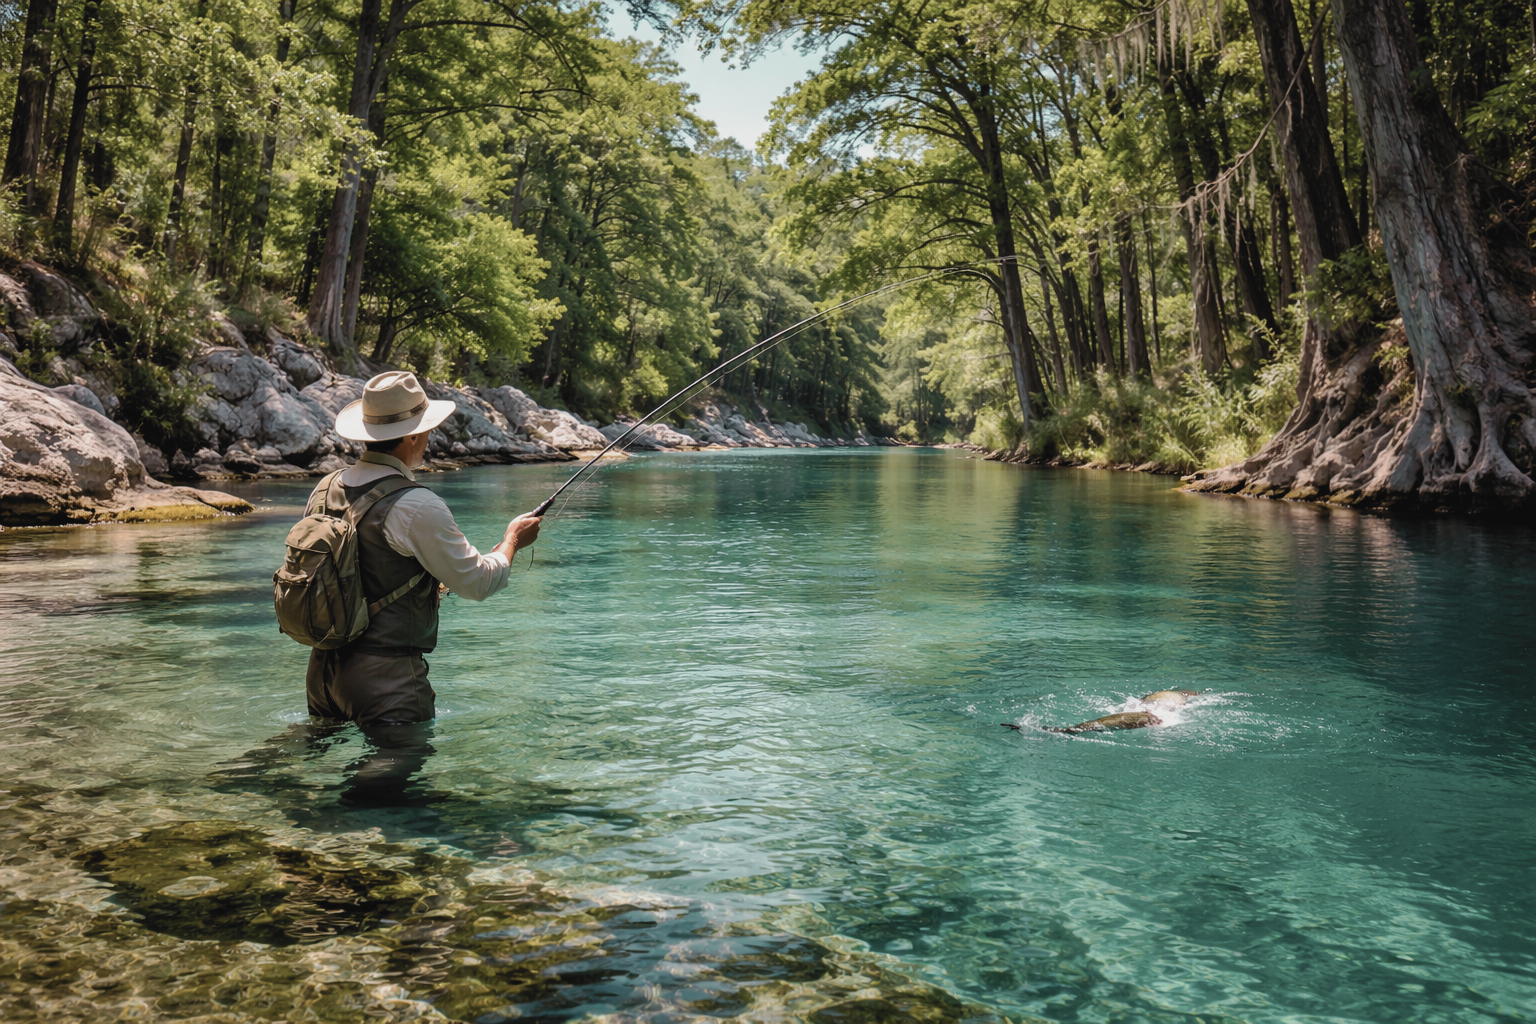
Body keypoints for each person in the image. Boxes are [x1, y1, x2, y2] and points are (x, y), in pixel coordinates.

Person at [304, 370, 542, 726]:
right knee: (397, 776)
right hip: (386, 681)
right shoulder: (415, 504)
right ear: (413, 435)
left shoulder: (324, 488)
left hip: (322, 672)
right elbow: (477, 583)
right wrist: (512, 542)